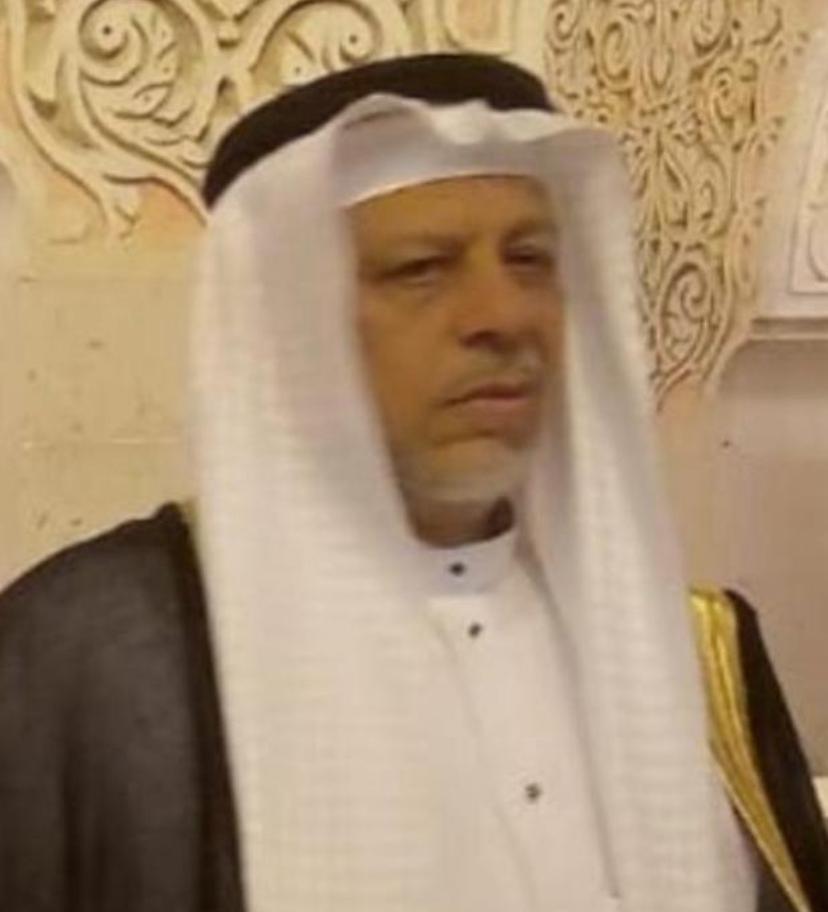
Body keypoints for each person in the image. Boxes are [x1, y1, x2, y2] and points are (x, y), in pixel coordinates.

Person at [0, 54, 825, 912]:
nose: (502, 315)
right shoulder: (89, 661)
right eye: (422, 268)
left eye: (530, 259)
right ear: (286, 328)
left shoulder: (698, 655)